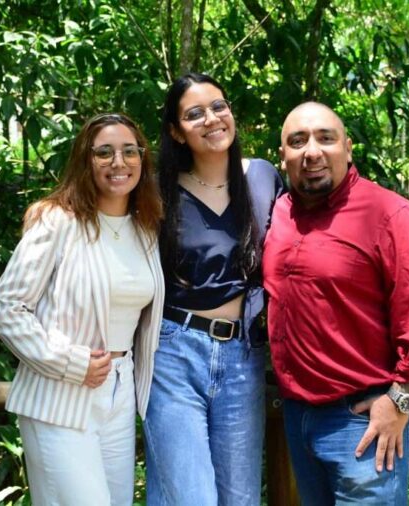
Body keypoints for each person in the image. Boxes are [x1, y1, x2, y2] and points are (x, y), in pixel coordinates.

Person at [262, 102, 409, 505]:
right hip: (298, 414)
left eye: (325, 138)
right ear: (283, 157)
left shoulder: (389, 213)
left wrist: (402, 400)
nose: (311, 151)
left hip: (364, 418)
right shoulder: (280, 213)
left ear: (348, 149)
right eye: (297, 141)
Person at [0, 113, 164, 506]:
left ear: (142, 159)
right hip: (59, 396)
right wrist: (68, 362)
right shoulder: (57, 220)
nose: (119, 162)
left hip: (119, 395)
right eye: (104, 152)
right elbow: (5, 307)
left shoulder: (146, 228)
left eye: (129, 151)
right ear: (86, 160)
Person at [144, 73, 284, 505]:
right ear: (176, 131)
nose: (211, 119)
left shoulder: (261, 177)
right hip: (175, 352)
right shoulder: (156, 192)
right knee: (190, 497)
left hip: (244, 355)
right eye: (194, 114)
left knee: (239, 498)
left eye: (218, 106)